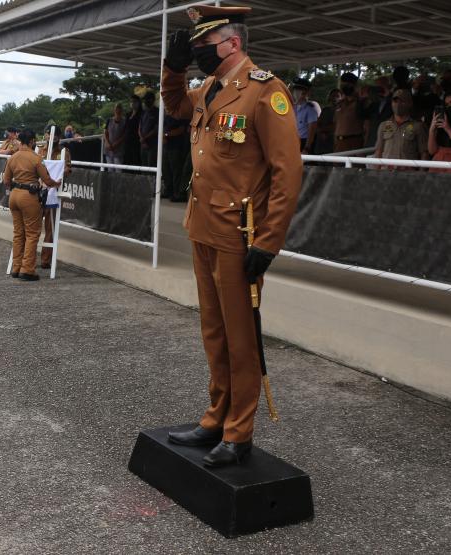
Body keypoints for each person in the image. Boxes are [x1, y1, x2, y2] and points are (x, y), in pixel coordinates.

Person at [161, 5, 302, 467]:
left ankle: (239, 431)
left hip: (241, 235)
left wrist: (269, 240)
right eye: (195, 48)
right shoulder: (208, 91)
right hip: (203, 226)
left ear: (233, 43)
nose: (199, 53)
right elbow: (176, 106)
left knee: (241, 339)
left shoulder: (266, 92)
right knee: (214, 332)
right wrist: (173, 69)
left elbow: (287, 172)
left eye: (203, 46)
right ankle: (215, 417)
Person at [3, 129, 60, 281]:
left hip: (14, 196)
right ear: (32, 141)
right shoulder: (36, 158)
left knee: (18, 233)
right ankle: (27, 269)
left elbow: (6, 181)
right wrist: (57, 183)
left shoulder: (12, 157)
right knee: (32, 233)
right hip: (29, 196)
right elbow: (47, 180)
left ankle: (16, 267)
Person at [39, 128, 71, 270]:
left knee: (50, 228)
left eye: (55, 135)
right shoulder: (41, 150)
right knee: (33, 226)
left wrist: (59, 172)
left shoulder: (64, 151)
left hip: (54, 191)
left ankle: (45, 260)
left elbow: (68, 168)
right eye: (49, 135)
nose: (52, 137)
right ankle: (27, 257)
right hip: (39, 191)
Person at [374, 89, 428, 166]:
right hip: (386, 172)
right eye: (395, 101)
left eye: (402, 101)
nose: (398, 104)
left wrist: (421, 173)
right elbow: (378, 151)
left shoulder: (418, 126)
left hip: (407, 173)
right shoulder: (384, 125)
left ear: (410, 103)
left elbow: (424, 153)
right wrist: (376, 172)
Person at [333, 72, 369, 152]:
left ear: (354, 86)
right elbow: (336, 124)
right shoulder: (339, 104)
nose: (344, 88)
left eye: (347, 85)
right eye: (342, 85)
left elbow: (367, 125)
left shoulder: (361, 103)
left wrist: (363, 147)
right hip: (339, 142)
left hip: (354, 142)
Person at [161, 114, 189, 200]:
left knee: (176, 171)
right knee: (166, 170)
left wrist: (166, 135)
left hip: (176, 147)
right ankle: (168, 191)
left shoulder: (180, 115)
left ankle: (177, 193)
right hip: (166, 147)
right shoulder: (165, 116)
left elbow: (181, 129)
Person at [291, 78, 319, 153]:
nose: (296, 93)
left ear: (305, 93)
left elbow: (311, 131)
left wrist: (307, 148)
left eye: (299, 90)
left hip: (304, 142)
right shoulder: (291, 107)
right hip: (292, 141)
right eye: (295, 90)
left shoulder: (310, 110)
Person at [366, 76, 393, 147]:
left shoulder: (393, 100)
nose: (378, 89)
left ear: (389, 86)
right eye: (376, 86)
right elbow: (363, 115)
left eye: (381, 86)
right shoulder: (374, 103)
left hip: (388, 140)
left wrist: (387, 93)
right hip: (373, 140)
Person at [313, 88, 340, 154]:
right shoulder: (325, 110)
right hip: (321, 142)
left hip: (334, 141)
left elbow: (337, 125)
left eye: (337, 96)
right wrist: (321, 131)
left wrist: (324, 131)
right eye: (333, 96)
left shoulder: (341, 111)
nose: (335, 98)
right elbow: (317, 123)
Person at [138, 91, 159, 167]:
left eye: (147, 99)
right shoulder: (144, 112)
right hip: (143, 144)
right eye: (144, 99)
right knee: (144, 166)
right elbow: (140, 126)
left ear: (152, 100)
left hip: (152, 145)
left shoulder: (157, 112)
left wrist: (144, 138)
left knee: (151, 166)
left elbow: (156, 129)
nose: (145, 101)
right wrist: (142, 139)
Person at [104, 103, 127, 169]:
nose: (118, 110)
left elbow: (124, 135)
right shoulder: (109, 120)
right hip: (108, 149)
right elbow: (105, 133)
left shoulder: (125, 121)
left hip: (119, 149)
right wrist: (108, 143)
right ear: (114, 110)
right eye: (116, 108)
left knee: (118, 169)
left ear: (122, 110)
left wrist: (115, 144)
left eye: (119, 108)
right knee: (110, 169)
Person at [123, 94, 143, 167]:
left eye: (134, 102)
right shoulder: (128, 114)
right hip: (127, 141)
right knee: (127, 160)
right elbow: (125, 127)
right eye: (131, 102)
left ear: (138, 103)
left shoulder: (142, 114)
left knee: (136, 160)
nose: (132, 103)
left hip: (137, 141)